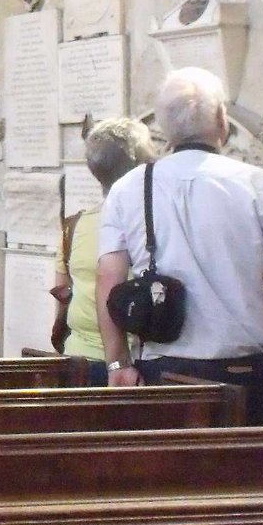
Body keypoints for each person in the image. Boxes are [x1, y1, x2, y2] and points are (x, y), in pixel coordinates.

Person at [97, 67, 263, 425]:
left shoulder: (130, 188)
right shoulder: (259, 185)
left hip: (160, 372)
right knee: (250, 478)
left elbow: (108, 279)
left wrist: (117, 362)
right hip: (244, 372)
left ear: (163, 128)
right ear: (222, 120)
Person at [49, 117, 155, 382]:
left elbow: (62, 294)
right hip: (129, 366)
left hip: (75, 359)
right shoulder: (148, 224)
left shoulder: (73, 226)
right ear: (142, 165)